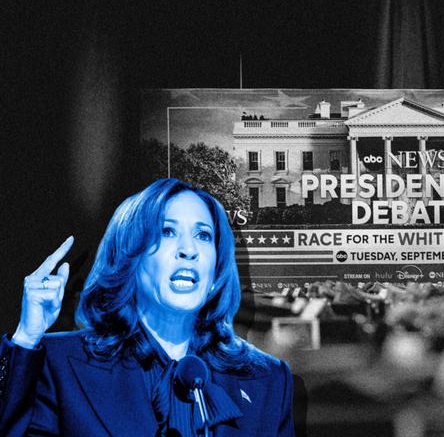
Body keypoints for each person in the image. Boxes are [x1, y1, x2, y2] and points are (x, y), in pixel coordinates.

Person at [0, 178, 294, 436]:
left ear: (216, 268)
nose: (188, 250)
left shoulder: (267, 379)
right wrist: (26, 338)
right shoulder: (60, 362)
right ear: (131, 256)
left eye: (203, 235)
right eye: (167, 231)